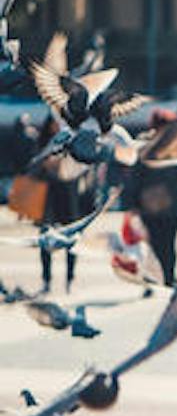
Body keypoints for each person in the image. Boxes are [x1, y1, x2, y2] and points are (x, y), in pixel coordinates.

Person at [121, 109, 177, 285]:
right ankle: (153, 280)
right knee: (153, 246)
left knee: (169, 245)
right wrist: (131, 206)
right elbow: (133, 178)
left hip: (171, 207)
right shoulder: (144, 149)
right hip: (150, 208)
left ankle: (168, 279)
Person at [32, 118, 94, 293]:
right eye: (56, 123)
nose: (59, 127)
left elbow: (83, 165)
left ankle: (70, 279)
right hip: (48, 196)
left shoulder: (74, 142)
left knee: (71, 239)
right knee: (46, 239)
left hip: (69, 195)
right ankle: (46, 280)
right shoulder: (43, 144)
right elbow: (36, 165)